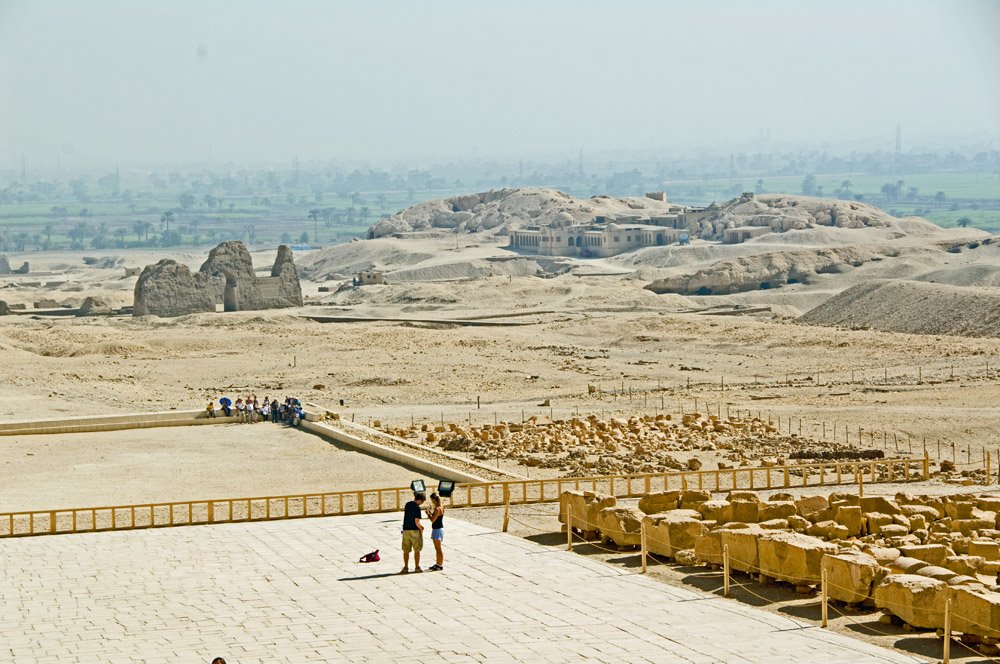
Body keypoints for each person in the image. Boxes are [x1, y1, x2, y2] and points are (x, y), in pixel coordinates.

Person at [401, 492, 426, 574]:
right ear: (421, 500)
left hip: (406, 529)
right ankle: (417, 567)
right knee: (417, 550)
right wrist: (421, 528)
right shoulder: (417, 508)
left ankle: (405, 567)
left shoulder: (407, 504)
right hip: (415, 530)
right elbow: (416, 521)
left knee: (406, 550)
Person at [426, 492, 445, 571]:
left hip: (437, 529)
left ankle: (440, 564)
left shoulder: (437, 509)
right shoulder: (441, 507)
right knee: (438, 548)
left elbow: (433, 520)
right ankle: (438, 563)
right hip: (439, 528)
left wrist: (428, 514)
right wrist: (431, 513)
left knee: (438, 548)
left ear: (434, 499)